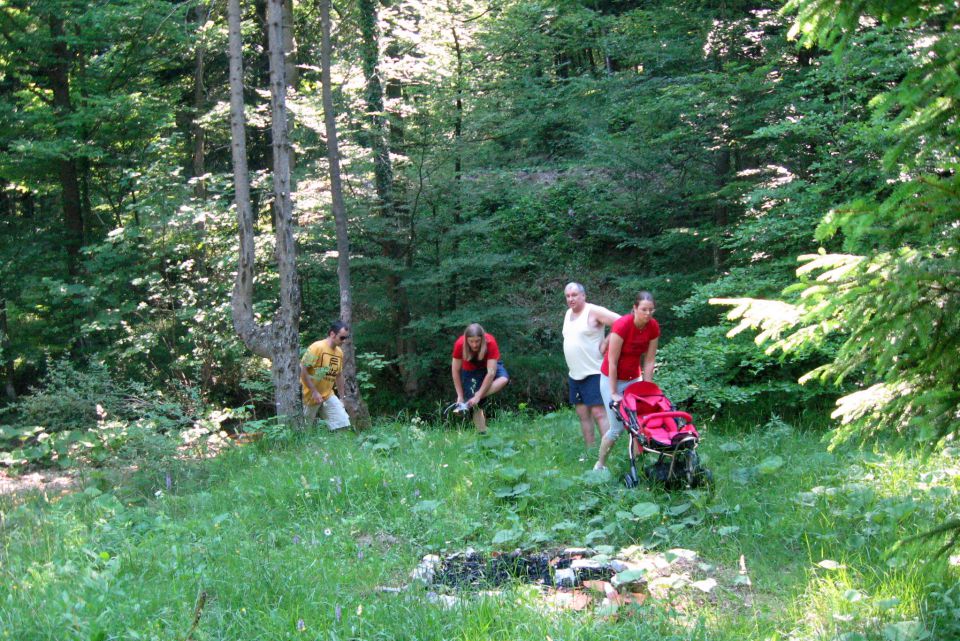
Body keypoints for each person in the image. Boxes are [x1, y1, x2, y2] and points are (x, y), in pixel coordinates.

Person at [595, 291, 660, 471]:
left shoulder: (653, 327)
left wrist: (646, 387)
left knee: (640, 425)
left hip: (634, 378)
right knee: (617, 428)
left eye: (651, 310)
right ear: (635, 308)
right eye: (643, 310)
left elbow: (649, 360)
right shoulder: (623, 325)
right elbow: (612, 361)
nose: (647, 314)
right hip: (611, 377)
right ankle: (600, 465)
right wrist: (614, 391)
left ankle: (635, 465)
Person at [562, 282, 619, 447]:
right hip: (575, 373)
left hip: (594, 371)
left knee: (598, 412)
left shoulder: (593, 311)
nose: (571, 299)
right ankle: (591, 451)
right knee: (582, 413)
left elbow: (622, 322)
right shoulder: (568, 314)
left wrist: (607, 342)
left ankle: (608, 452)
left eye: (574, 295)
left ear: (583, 296)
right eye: (568, 296)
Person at [451, 323, 509, 433]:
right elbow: (455, 371)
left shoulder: (490, 342)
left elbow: (491, 372)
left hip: (488, 366)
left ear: (482, 338)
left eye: (477, 341)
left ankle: (470, 400)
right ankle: (482, 433)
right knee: (476, 406)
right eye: (471, 341)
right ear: (466, 340)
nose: (474, 345)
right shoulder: (459, 344)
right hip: (470, 371)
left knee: (504, 379)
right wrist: (459, 395)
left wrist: (478, 395)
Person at [300, 321, 352, 431]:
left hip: (328, 394)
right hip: (309, 395)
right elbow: (303, 369)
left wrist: (342, 398)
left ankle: (339, 447)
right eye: (342, 338)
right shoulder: (317, 347)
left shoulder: (339, 352)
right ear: (332, 334)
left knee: (343, 424)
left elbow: (339, 375)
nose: (344, 341)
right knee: (304, 430)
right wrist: (314, 391)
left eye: (346, 338)